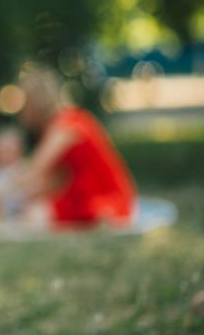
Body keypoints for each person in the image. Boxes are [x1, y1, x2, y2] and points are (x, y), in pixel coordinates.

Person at [17, 63, 136, 227]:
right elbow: (54, 180)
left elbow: (36, 169)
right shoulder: (65, 123)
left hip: (102, 201)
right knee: (31, 211)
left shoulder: (66, 125)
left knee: (34, 215)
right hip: (81, 197)